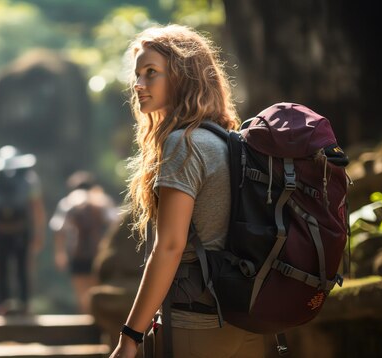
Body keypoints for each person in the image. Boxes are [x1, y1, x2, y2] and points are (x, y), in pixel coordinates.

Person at [110, 24, 265, 357]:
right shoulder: (225, 139)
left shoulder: (184, 143)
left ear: (183, 75)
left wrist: (128, 338)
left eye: (151, 73)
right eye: (137, 75)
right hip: (247, 319)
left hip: (198, 323)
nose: (138, 85)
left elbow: (169, 246)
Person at [0, 145, 46, 314]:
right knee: (22, 268)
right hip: (21, 231)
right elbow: (37, 207)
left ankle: (2, 304)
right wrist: (39, 232)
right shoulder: (29, 178)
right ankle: (24, 304)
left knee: (1, 268)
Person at [49, 171, 118, 313]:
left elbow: (58, 227)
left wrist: (59, 253)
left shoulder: (68, 201)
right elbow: (115, 222)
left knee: (81, 290)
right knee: (97, 288)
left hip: (77, 252)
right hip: (98, 251)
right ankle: (97, 318)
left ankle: (85, 316)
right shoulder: (102, 200)